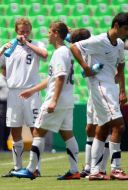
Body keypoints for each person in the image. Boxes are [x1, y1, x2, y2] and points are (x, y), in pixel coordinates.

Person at [11, 21, 80, 180]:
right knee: (67, 134)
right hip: (68, 100)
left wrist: (54, 100)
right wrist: (33, 90)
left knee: (38, 131)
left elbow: (61, 77)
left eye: (50, 32)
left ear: (56, 33)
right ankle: (74, 170)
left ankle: (31, 169)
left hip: (56, 100)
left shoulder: (60, 52)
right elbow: (52, 79)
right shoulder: (66, 51)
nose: (48, 35)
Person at [70, 12, 128, 180]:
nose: (127, 32)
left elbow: (121, 65)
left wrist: (122, 90)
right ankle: (115, 168)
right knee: (119, 126)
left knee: (103, 128)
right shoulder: (98, 40)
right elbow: (74, 47)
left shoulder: (119, 43)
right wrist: (85, 66)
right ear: (116, 25)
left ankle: (95, 171)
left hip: (111, 88)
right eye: (126, 28)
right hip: (100, 87)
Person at [0, 17, 48, 177]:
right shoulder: (10, 47)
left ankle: (35, 167)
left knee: (35, 129)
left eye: (27, 32)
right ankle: (17, 167)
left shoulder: (36, 44)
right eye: (22, 32)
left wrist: (27, 43)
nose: (24, 34)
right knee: (15, 130)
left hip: (31, 92)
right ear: (16, 31)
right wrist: (2, 49)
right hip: (13, 93)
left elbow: (45, 55)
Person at [69, 28, 110, 178]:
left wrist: (90, 69)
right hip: (92, 96)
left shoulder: (96, 49)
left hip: (101, 92)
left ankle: (101, 168)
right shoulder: (84, 48)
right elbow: (71, 40)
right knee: (89, 130)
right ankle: (88, 167)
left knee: (103, 131)